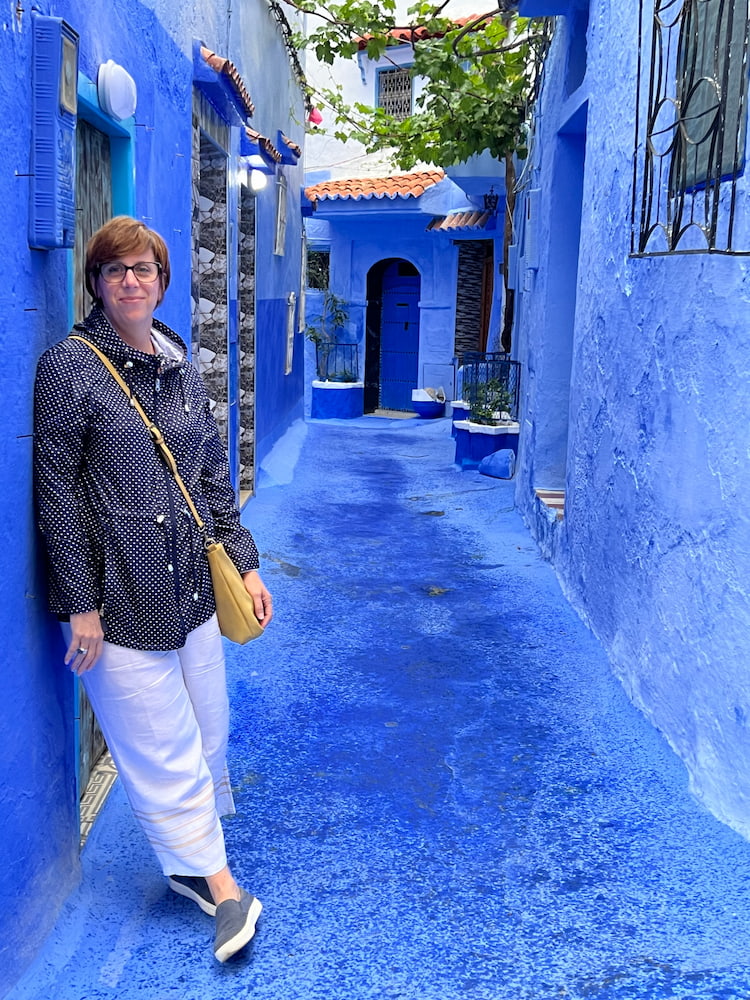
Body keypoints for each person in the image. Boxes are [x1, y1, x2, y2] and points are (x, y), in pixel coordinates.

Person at [33, 215, 273, 963]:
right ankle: (225, 888)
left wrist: (246, 558)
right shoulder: (69, 368)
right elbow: (58, 493)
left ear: (163, 282)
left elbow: (206, 475)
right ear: (96, 284)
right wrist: (81, 604)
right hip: (119, 599)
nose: (131, 281)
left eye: (144, 269)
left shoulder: (177, 359)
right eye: (116, 270)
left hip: (192, 591)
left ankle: (187, 865)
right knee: (160, 748)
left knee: (206, 730)